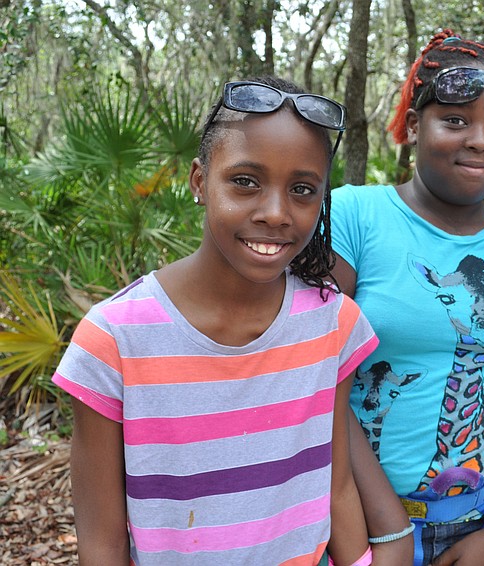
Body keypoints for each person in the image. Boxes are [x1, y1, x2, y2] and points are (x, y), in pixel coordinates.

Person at [53, 76, 377, 566]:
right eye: (245, 181)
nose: (275, 213)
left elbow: (336, 487)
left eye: (303, 189)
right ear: (200, 181)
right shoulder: (113, 339)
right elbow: (102, 542)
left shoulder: (334, 323)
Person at [330, 28, 484, 566]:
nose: (481, 141)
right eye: (456, 121)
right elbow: (317, 378)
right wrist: (388, 528)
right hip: (364, 527)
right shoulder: (352, 217)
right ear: (415, 126)